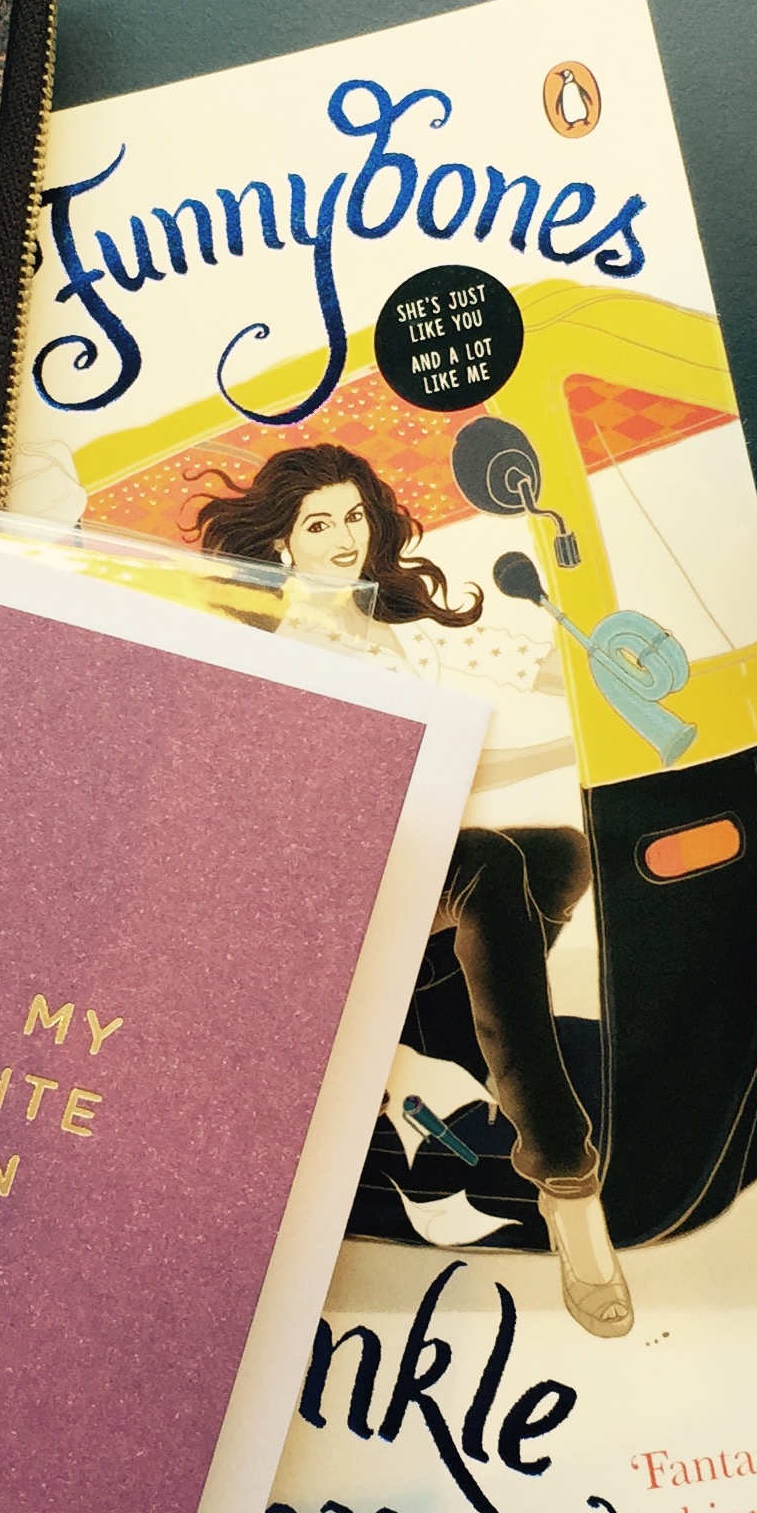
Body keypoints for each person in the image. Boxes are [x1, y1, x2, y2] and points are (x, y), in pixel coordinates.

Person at [188, 443, 633, 1336]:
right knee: (489, 866)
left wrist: (602, 678)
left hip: (412, 857)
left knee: (560, 855)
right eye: (319, 523)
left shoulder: (400, 621)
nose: (344, 537)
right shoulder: (270, 655)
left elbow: (535, 669)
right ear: (280, 544)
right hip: (325, 886)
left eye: (354, 516)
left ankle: (448, 1020)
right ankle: (568, 1184)